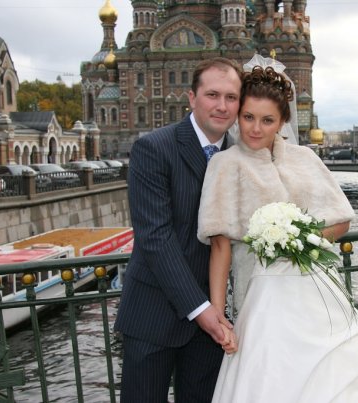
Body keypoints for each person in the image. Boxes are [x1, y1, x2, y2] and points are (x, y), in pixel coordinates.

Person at [198, 61, 358, 402]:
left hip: (317, 295)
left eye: (267, 120)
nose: (255, 129)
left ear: (282, 122)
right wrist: (219, 315)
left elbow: (341, 221)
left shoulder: (304, 158)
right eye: (248, 117)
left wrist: (300, 240)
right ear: (238, 116)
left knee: (330, 381)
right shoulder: (224, 164)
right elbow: (220, 245)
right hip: (259, 298)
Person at [114, 57, 242, 402]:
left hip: (214, 322)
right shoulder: (154, 147)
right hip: (154, 316)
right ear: (192, 98)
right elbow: (155, 237)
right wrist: (201, 310)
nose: (222, 105)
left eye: (231, 97)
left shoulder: (240, 155)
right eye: (212, 95)